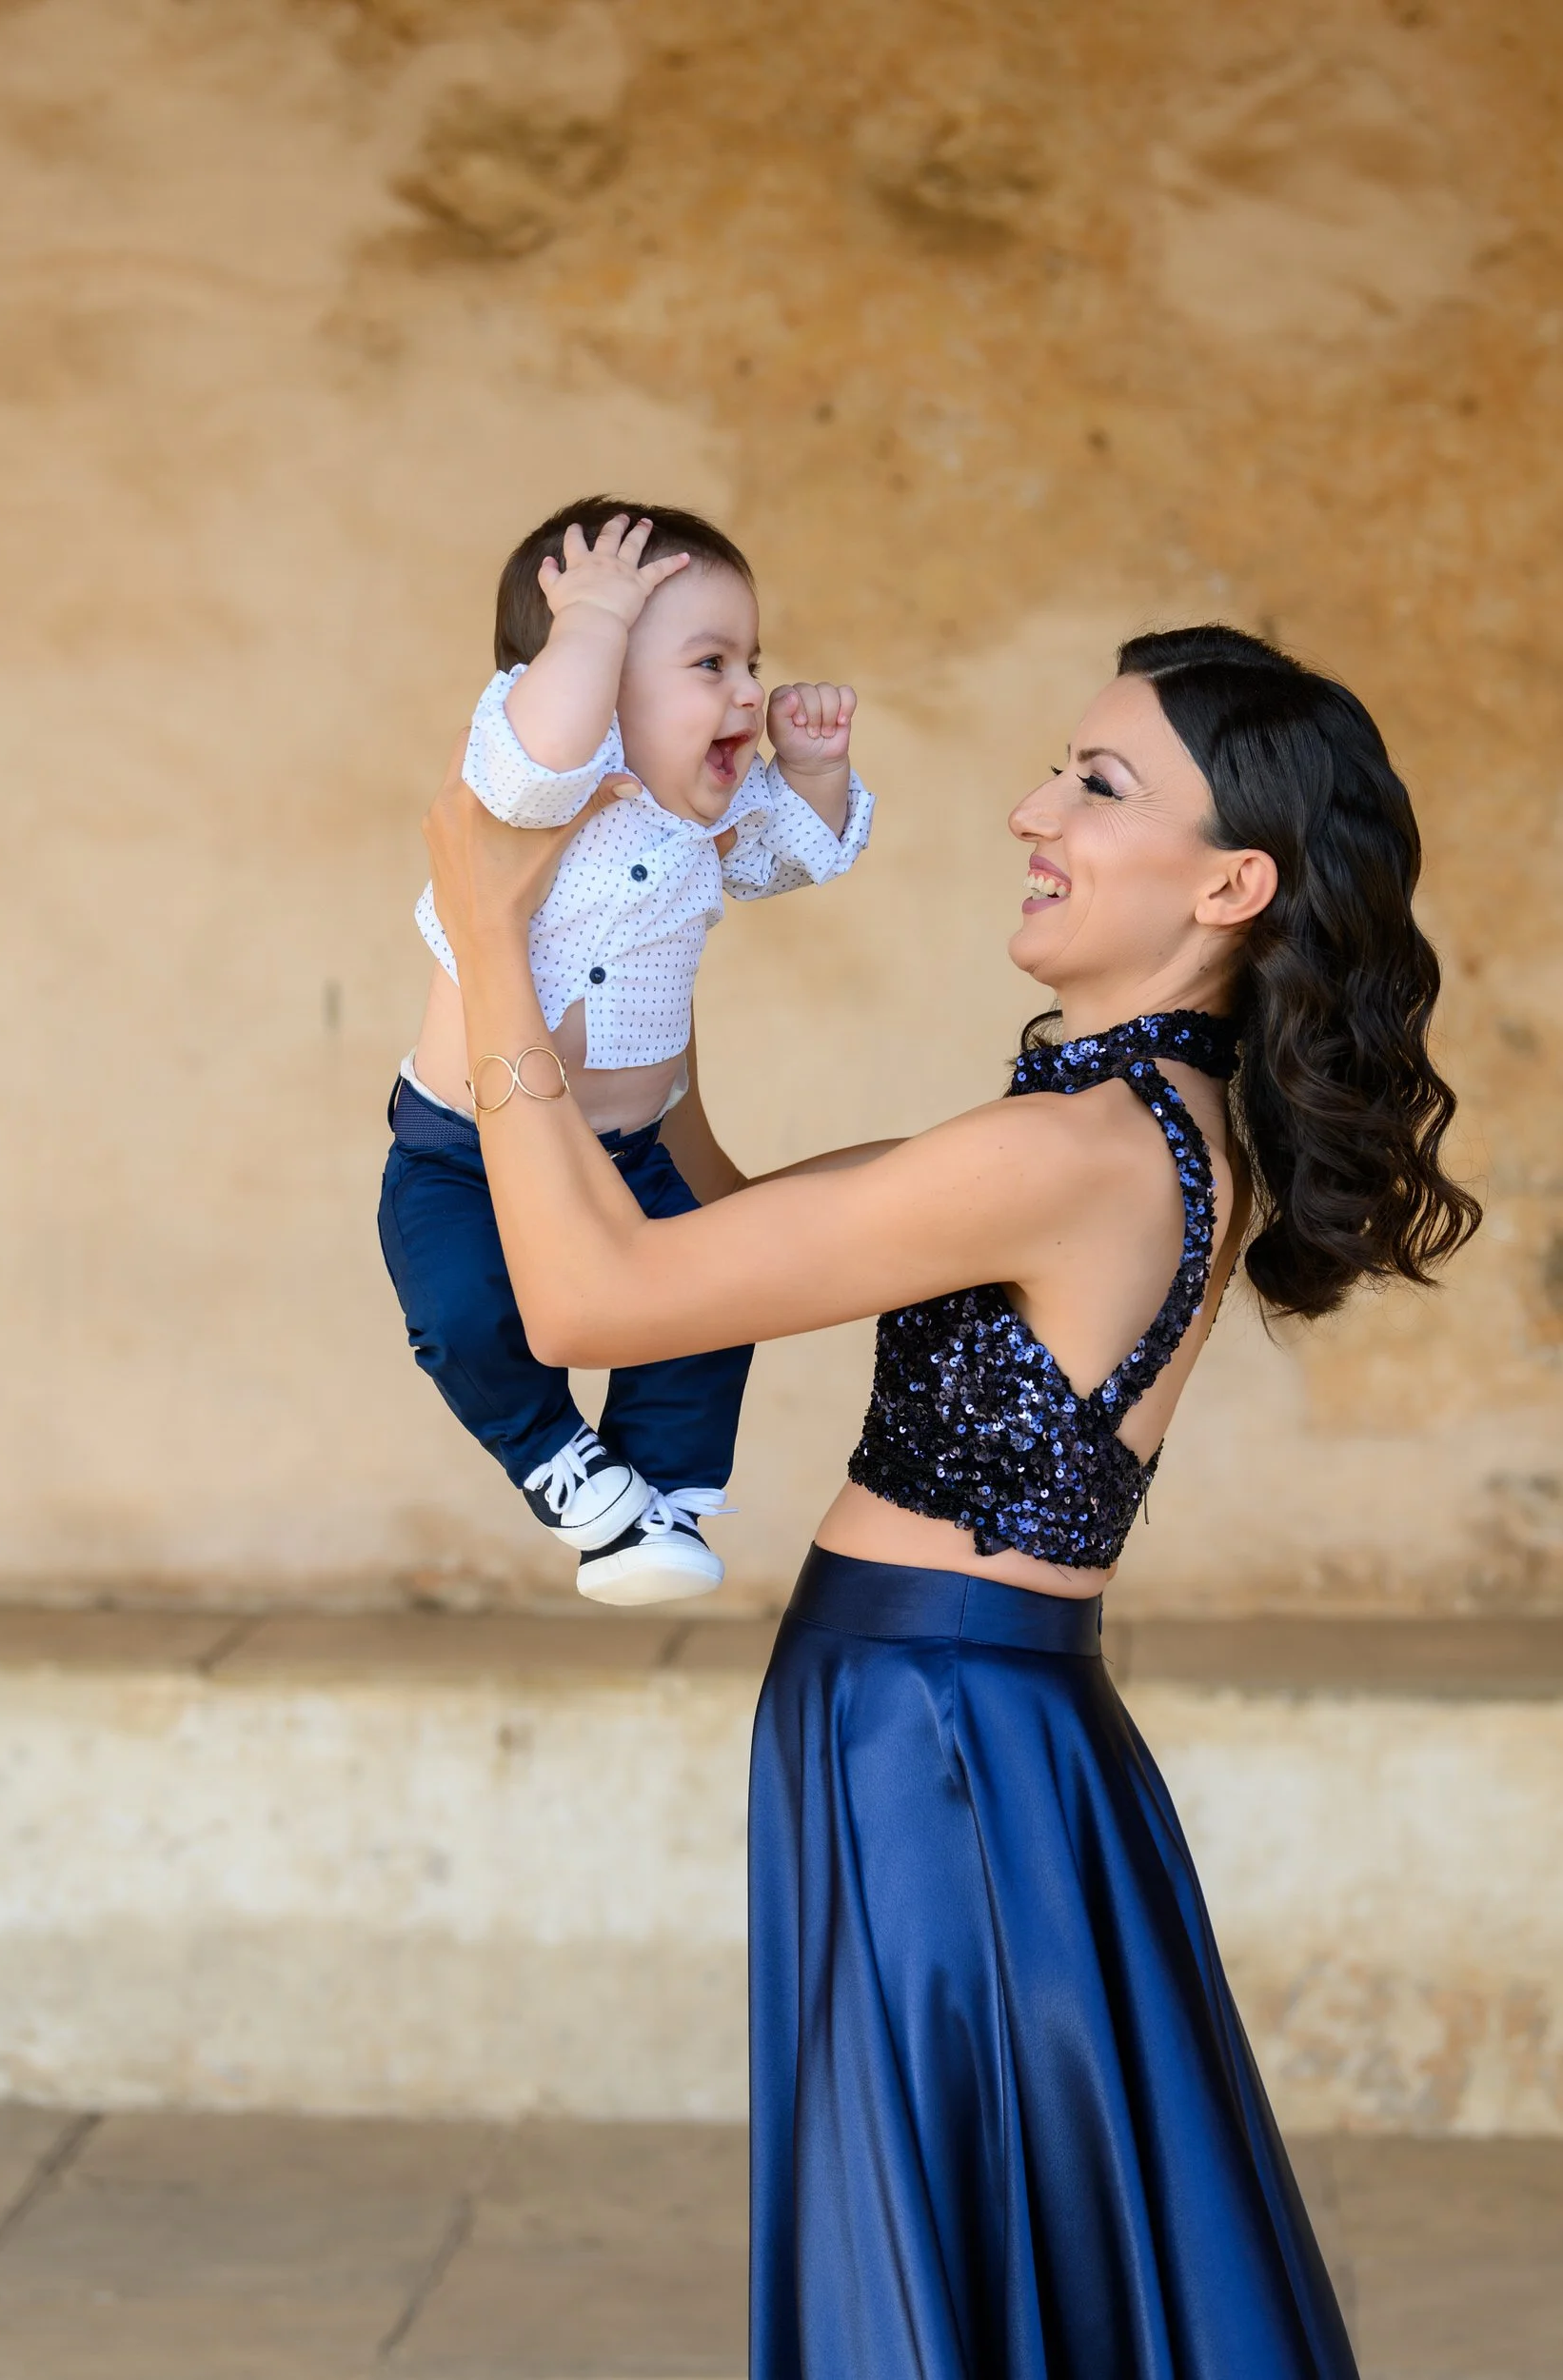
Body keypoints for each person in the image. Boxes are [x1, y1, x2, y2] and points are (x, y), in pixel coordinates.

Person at [419, 623, 1479, 2377]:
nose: (1026, 810)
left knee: (930, 2250)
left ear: (1230, 882)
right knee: (1007, 2253)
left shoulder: (1071, 1152)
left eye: (1094, 782)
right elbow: (715, 1221)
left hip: (932, 1746)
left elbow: (591, 1305)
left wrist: (481, 912)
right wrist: (645, 929)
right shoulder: (1124, 1116)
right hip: (972, 1730)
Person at [379, 500, 872, 1604]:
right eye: (710, 663)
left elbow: (788, 858)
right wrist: (591, 622)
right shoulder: (534, 784)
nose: (747, 690)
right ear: (592, 684)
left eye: (753, 660)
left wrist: (813, 771)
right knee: (463, 1317)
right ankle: (558, 1462)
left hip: (627, 1150)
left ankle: (667, 1484)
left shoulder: (698, 823)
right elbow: (532, 754)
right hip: (462, 1153)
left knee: (710, 1292)